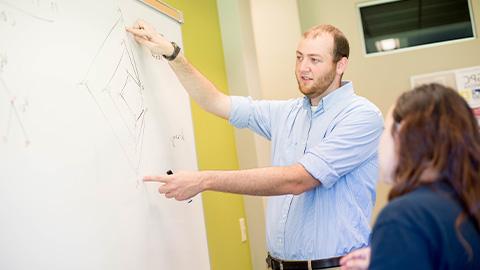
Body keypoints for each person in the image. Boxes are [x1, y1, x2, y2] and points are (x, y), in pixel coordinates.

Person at [127, 21, 383, 268]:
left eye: (314, 60)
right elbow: (215, 101)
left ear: (341, 65)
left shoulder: (361, 116)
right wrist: (173, 54)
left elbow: (298, 180)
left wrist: (204, 180)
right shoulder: (287, 113)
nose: (303, 67)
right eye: (298, 57)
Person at [340, 83, 480, 270]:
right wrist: (390, 256)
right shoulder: (465, 203)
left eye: (384, 132)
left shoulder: (404, 217)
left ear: (403, 135)